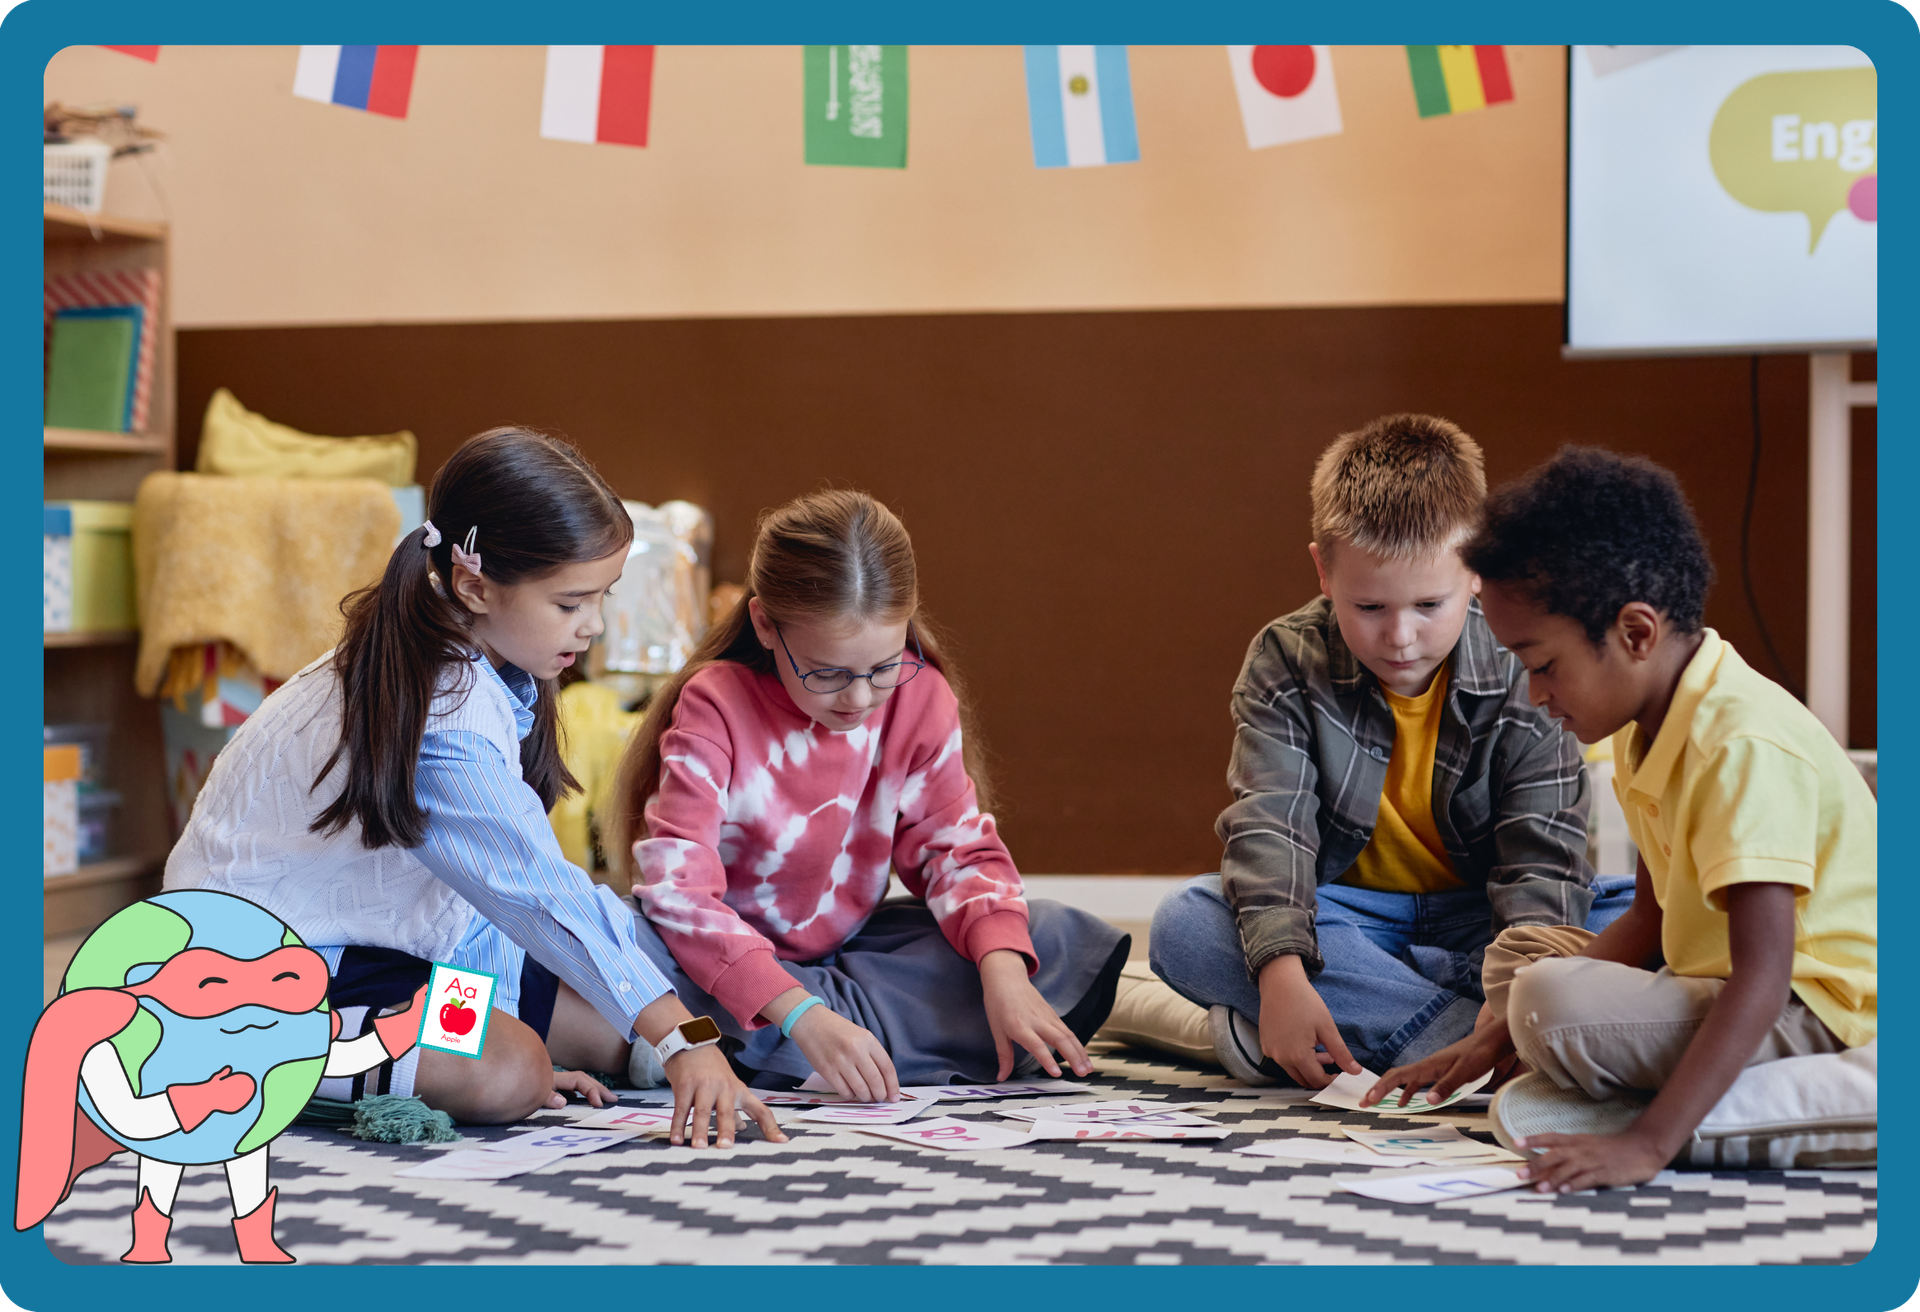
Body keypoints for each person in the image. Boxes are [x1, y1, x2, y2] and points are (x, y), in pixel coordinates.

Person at [166, 427, 784, 1147]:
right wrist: (685, 1041)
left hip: (381, 951)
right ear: (475, 584)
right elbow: (531, 890)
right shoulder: (445, 708)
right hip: (259, 973)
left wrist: (670, 1028)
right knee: (510, 1070)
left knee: (611, 1030)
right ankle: (240, 1059)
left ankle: (442, 1049)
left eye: (601, 597)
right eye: (570, 604)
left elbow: (485, 901)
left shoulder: (481, 659)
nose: (594, 626)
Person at [1364, 447, 1875, 1192]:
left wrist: (1648, 1147)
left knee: (1548, 997)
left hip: (1819, 1005)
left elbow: (1764, 978)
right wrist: (1487, 1041)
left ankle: (1657, 1112)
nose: (1535, 694)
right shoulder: (1649, 726)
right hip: (1712, 976)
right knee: (1526, 962)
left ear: (1635, 633)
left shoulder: (1740, 745)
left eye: (1542, 664)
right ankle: (1580, 1072)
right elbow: (1650, 916)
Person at [1143, 414, 1633, 1087]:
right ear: (1323, 570)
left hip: (1481, 919)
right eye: (1370, 607)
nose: (1400, 637)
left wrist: (1514, 980)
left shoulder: (1527, 660)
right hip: (1346, 913)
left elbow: (1542, 860)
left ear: (1479, 569)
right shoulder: (1287, 658)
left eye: (1429, 604)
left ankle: (1372, 1024)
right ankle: (1484, 1050)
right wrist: (1283, 974)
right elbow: (1270, 828)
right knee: (1189, 924)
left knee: (1644, 914)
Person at [617, 489, 1129, 1099]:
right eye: (827, 673)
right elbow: (679, 895)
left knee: (1049, 938)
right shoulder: (716, 701)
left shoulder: (923, 695)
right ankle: (777, 1038)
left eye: (883, 668)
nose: (859, 699)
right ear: (764, 625)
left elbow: (957, 854)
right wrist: (802, 1013)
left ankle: (730, 1046)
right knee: (608, 944)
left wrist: (1005, 979)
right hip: (715, 964)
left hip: (846, 960)